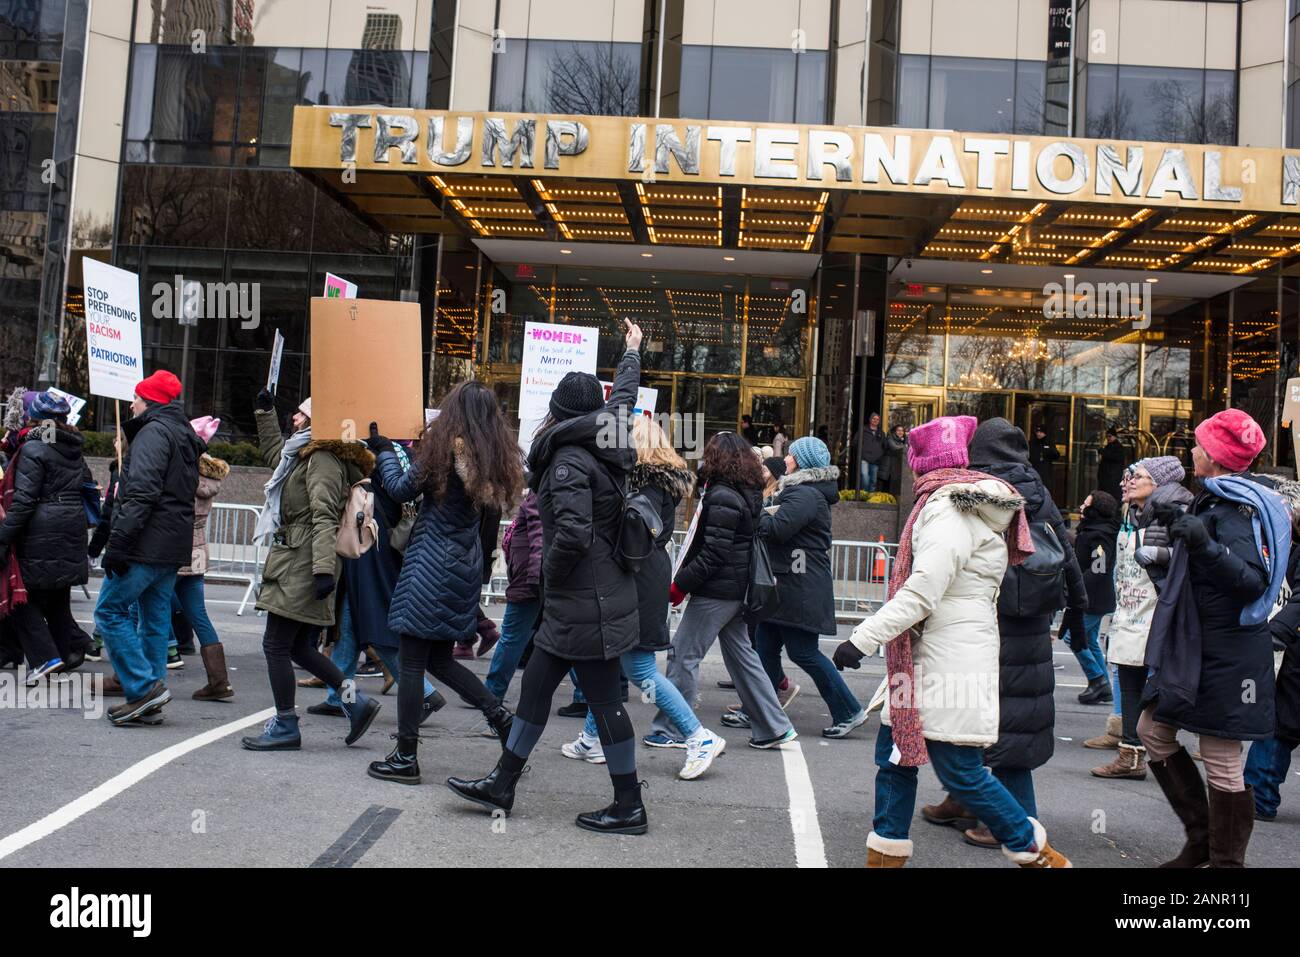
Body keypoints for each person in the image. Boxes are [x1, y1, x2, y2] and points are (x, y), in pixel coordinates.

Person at [833, 415, 1071, 868]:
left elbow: (923, 590)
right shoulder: (951, 504)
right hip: (930, 655)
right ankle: (885, 854)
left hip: (948, 659)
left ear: (925, 461)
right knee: (896, 755)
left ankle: (1032, 849)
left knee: (959, 771)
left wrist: (861, 640)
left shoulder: (947, 508)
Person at [447, 320, 653, 834]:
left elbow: (573, 537)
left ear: (558, 413)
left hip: (581, 600)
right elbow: (623, 397)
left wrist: (547, 582)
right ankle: (504, 781)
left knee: (602, 701)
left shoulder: (566, 460)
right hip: (596, 599)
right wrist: (631, 352)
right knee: (539, 687)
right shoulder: (608, 433)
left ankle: (628, 804)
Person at [1140, 409, 1289, 868]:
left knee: (1221, 756)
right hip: (1200, 646)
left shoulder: (1239, 507)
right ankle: (1201, 843)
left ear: (1219, 457)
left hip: (1230, 653)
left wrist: (1205, 545)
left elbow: (1250, 582)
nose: (1192, 451)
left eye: (1200, 446)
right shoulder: (1214, 499)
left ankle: (1225, 864)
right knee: (1151, 729)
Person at [364, 382, 521, 785]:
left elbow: (400, 488)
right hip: (461, 566)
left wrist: (384, 452)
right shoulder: (492, 458)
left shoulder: (445, 448)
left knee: (413, 662)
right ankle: (503, 720)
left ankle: (405, 756)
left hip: (430, 562)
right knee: (439, 660)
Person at [947, 417, 1087, 848]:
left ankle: (1018, 820)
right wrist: (1078, 612)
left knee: (991, 715)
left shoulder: (980, 493)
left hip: (991, 616)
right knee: (1013, 716)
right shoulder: (1037, 490)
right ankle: (967, 798)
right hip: (1030, 621)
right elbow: (1066, 553)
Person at [561, 416, 726, 781]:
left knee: (638, 668)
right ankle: (592, 737)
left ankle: (698, 736)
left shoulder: (644, 485)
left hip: (637, 577)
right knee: (611, 661)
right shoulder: (660, 484)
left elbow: (630, 535)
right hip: (645, 575)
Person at [241, 392, 381, 750]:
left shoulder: (321, 457)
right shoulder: (301, 453)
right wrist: (265, 413)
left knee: (275, 643)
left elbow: (324, 517)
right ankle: (356, 702)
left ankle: (286, 724)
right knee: (301, 647)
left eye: (302, 414)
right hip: (298, 557)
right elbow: (276, 457)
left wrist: (322, 571)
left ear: (317, 421)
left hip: (303, 561)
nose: (296, 419)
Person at [649, 431, 798, 751]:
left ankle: (673, 727)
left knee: (683, 654)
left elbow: (713, 553)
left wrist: (680, 584)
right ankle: (774, 726)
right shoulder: (747, 492)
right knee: (743, 658)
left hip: (716, 591)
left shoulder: (722, 495)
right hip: (736, 589)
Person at [93, 372, 205, 726]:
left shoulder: (153, 432)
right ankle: (149, 695)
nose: (131, 404)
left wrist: (119, 544)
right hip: (169, 547)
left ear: (151, 402)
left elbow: (141, 493)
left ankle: (143, 688)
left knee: (109, 612)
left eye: (137, 398)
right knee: (154, 622)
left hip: (146, 544)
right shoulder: (182, 434)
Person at [312, 440, 444, 727]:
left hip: (367, 547)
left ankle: (425, 693)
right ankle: (340, 697)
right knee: (348, 626)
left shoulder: (377, 451)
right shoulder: (401, 452)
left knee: (373, 626)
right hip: (376, 546)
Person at [754, 436, 866, 738]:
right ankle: (758, 710)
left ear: (801, 461)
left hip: (799, 588)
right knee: (764, 647)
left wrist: (757, 514)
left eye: (790, 455)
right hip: (790, 586)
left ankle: (849, 709)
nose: (786, 459)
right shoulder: (803, 492)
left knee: (804, 653)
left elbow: (777, 530)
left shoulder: (803, 495)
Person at [1091, 457, 1192, 781]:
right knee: (1131, 683)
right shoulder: (1132, 514)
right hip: (1130, 610)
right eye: (1130, 475)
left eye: (1139, 476)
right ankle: (1130, 753)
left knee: (1159, 688)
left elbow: (1190, 556)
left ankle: (1161, 751)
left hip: (1154, 612)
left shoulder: (1171, 514)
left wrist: (1162, 555)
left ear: (1158, 484)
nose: (1130, 481)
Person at [0, 391, 95, 680]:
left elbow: (25, 500)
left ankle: (44, 659)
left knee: (20, 595)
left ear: (36, 419)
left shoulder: (34, 448)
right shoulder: (72, 448)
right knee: (57, 597)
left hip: (41, 530)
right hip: (71, 526)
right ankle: (59, 659)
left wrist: (3, 536)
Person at [1244, 479, 1300, 822]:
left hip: (1290, 649)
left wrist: (1277, 632)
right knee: (1279, 726)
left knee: (1280, 728)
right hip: (1288, 649)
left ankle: (1258, 797)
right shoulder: (1281, 542)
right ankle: (1256, 796)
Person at [176, 416, 234, 701]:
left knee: (146, 609)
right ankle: (219, 680)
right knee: (198, 613)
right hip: (198, 548)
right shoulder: (208, 475)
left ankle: (140, 678)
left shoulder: (183, 470)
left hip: (173, 547)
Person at [483, 489, 543, 704]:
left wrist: (534, 578)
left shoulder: (542, 491)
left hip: (529, 580)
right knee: (564, 640)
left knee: (512, 637)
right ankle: (583, 696)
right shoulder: (547, 489)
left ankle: (491, 692)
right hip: (533, 578)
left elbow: (539, 536)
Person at [1065, 490, 1118, 705]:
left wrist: (1077, 589)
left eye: (1085, 504)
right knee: (1089, 640)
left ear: (1095, 509)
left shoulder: (1098, 534)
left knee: (1072, 636)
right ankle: (1102, 684)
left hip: (1092, 598)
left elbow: (1098, 568)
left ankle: (1097, 679)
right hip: (1096, 596)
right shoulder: (1097, 530)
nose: (1081, 508)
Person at [856, 412, 886, 492]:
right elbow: (855, 442)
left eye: (877, 419)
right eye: (874, 418)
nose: (875, 420)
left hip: (876, 460)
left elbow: (885, 446)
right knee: (865, 476)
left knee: (873, 480)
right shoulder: (863, 430)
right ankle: (864, 493)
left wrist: (880, 454)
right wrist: (862, 452)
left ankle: (871, 497)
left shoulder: (881, 433)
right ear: (870, 420)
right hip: (864, 458)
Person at [1097, 427, 1126, 502]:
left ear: (1114, 436)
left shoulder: (1118, 447)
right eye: (1107, 436)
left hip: (1112, 478)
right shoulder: (1110, 446)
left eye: (1110, 436)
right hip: (1108, 477)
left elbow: (1115, 457)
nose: (1108, 438)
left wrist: (1103, 452)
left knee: (1111, 497)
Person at [878, 423, 907, 498]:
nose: (900, 432)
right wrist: (905, 446)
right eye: (898, 430)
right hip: (888, 466)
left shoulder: (903, 441)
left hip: (896, 467)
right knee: (886, 485)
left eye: (902, 431)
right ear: (894, 431)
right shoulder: (890, 438)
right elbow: (894, 447)